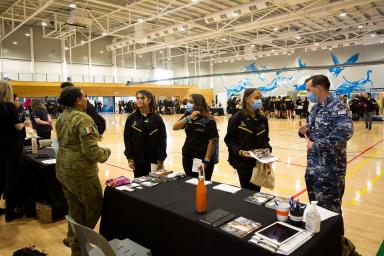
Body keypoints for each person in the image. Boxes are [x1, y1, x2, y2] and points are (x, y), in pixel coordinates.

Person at [56, 86, 111, 256]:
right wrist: (106, 152)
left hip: (63, 169)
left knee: (75, 209)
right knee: (95, 204)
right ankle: (78, 240)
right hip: (80, 172)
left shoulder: (62, 117)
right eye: (84, 97)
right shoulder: (83, 119)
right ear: (78, 100)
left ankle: (75, 245)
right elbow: (91, 151)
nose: (87, 99)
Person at [298, 75, 353, 214]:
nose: (307, 94)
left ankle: (336, 236)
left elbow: (344, 133)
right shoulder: (316, 108)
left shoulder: (338, 107)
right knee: (316, 208)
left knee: (331, 211)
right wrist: (305, 130)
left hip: (330, 170)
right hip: (313, 168)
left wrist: (315, 146)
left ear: (318, 88)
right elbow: (317, 131)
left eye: (308, 90)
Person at [224, 88, 271, 191]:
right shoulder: (237, 118)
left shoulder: (263, 119)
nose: (260, 101)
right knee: (246, 191)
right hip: (243, 162)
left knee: (256, 191)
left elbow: (265, 139)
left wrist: (268, 150)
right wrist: (240, 152)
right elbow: (229, 139)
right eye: (257, 98)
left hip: (259, 162)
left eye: (260, 98)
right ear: (247, 99)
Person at [0, 81, 29, 221]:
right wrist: (24, 123)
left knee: (0, 177)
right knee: (12, 178)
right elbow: (18, 127)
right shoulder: (9, 106)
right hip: (12, 147)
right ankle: (10, 213)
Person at [173, 94, 219, 181]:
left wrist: (206, 160)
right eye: (187, 101)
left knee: (200, 183)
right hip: (187, 156)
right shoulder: (188, 116)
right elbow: (175, 127)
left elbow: (212, 142)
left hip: (200, 159)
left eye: (191, 102)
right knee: (190, 182)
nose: (188, 104)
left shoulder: (208, 120)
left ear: (198, 104)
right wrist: (189, 118)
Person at [124, 90, 167, 178]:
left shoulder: (157, 119)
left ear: (149, 100)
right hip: (138, 160)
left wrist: (161, 159)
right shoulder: (131, 118)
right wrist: (130, 158)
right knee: (139, 186)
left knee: (154, 185)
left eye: (142, 98)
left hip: (153, 160)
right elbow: (127, 138)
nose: (139, 100)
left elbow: (162, 140)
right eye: (137, 98)